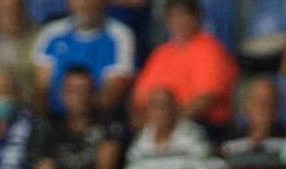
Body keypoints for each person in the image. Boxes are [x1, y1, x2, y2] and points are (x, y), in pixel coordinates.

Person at [132, 0, 237, 128]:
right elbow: (139, 98)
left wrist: (168, 123)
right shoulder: (161, 53)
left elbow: (206, 100)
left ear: (197, 18)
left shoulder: (210, 50)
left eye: (184, 15)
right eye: (173, 16)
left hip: (200, 124)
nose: (179, 22)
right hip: (158, 127)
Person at [32, 0, 135, 115]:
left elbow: (113, 92)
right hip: (55, 118)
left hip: (98, 117)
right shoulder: (51, 33)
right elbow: (42, 87)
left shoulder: (120, 35)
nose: (85, 4)